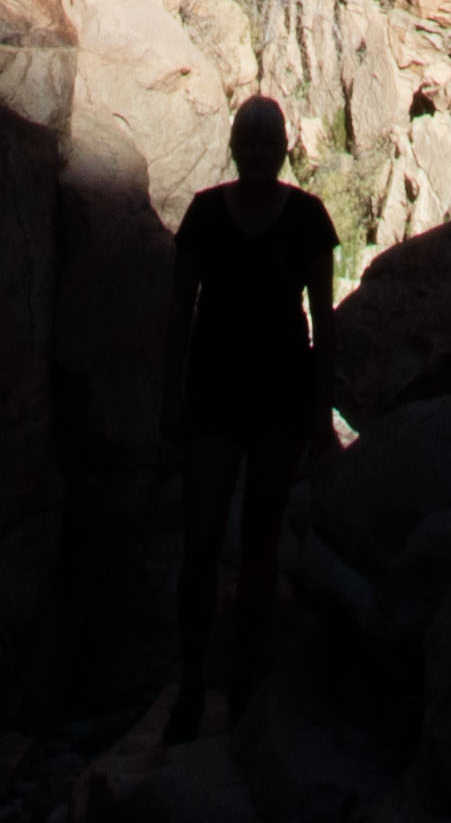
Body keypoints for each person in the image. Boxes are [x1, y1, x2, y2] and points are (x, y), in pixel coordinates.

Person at [158, 89, 338, 738]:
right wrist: (170, 395)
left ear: (284, 151)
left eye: (270, 144)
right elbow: (179, 310)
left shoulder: (308, 218)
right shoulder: (206, 215)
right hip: (214, 393)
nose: (259, 154)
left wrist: (321, 412)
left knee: (260, 544)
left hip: (280, 396)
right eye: (250, 143)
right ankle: (191, 684)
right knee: (203, 540)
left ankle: (240, 686)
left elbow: (324, 321)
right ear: (234, 149)